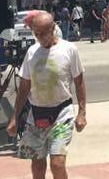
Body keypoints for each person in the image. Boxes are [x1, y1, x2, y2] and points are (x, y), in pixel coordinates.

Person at [8, 11, 86, 179]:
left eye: (44, 33)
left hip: (62, 114)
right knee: (37, 166)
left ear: (53, 28)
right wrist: (15, 117)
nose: (40, 38)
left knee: (57, 164)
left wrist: (82, 113)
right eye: (37, 34)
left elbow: (79, 82)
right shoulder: (31, 52)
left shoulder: (69, 50)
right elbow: (24, 87)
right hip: (36, 116)